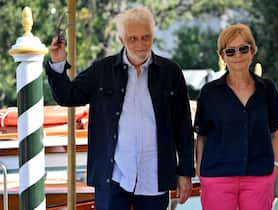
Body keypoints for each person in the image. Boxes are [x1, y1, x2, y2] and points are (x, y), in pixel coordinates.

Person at [46, 7, 194, 210]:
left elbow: (183, 127)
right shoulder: (102, 70)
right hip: (113, 176)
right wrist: (58, 62)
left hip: (154, 175)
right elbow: (67, 96)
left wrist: (185, 172)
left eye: (146, 37)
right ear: (121, 39)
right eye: (133, 38)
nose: (141, 44)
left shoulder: (171, 72)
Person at [194, 23, 278, 210]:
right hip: (217, 177)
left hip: (259, 175)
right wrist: (200, 172)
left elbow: (275, 133)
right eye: (230, 51)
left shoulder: (267, 90)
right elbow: (201, 136)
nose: (238, 55)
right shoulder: (209, 93)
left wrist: (275, 166)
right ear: (222, 56)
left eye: (243, 49)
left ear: (252, 51)